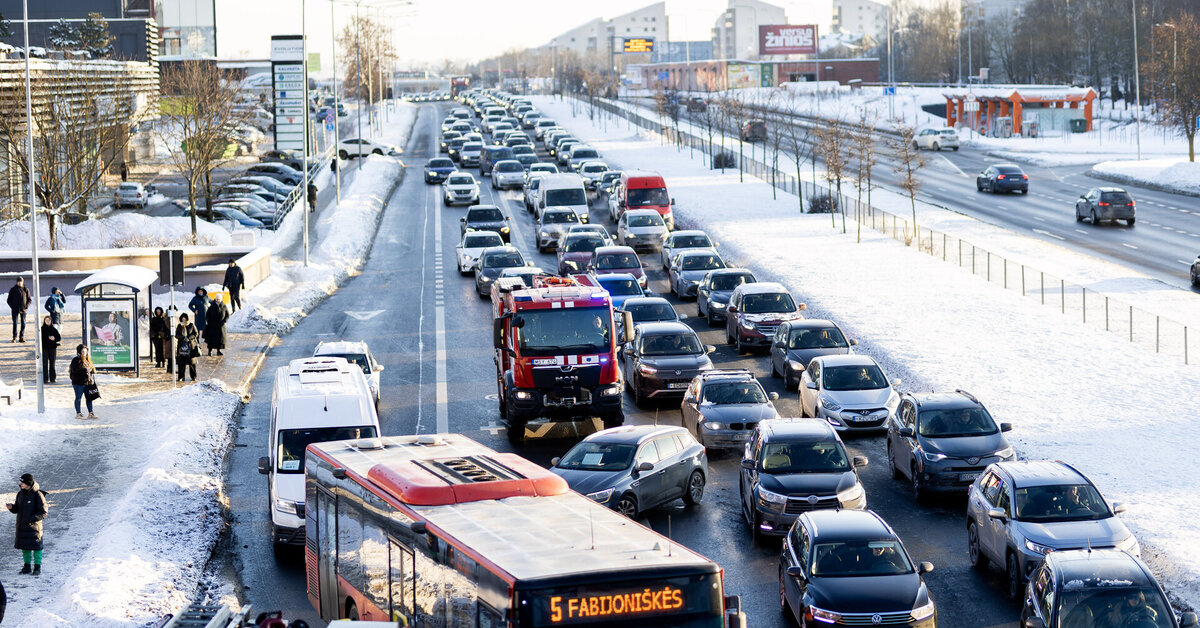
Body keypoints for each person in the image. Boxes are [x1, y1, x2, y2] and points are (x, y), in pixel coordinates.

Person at [6, 473, 47, 576]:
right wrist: (12, 508)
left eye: (22, 482)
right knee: (25, 548)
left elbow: (43, 512)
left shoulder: (38, 495)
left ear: (28, 483)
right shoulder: (20, 494)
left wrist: (31, 519)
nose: (20, 484)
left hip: (34, 528)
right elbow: (18, 508)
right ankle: (27, 567)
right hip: (23, 527)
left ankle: (37, 568)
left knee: (37, 548)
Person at [68, 344, 97, 419]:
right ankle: (78, 413)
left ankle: (91, 413)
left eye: (85, 351)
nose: (84, 352)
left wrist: (91, 370)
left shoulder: (88, 360)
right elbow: (74, 370)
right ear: (79, 352)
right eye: (82, 351)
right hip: (78, 383)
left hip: (87, 382)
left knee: (89, 398)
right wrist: (85, 370)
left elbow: (93, 370)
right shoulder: (75, 360)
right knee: (78, 398)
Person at [175, 313, 199, 382]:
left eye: (185, 318)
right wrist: (182, 338)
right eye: (182, 319)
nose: (184, 320)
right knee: (181, 363)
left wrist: (189, 338)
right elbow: (177, 335)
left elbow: (195, 333)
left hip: (191, 346)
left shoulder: (191, 325)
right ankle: (181, 377)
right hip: (181, 346)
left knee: (192, 363)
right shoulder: (179, 326)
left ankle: (193, 376)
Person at [6, 277, 30, 343]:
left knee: (23, 323)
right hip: (15, 310)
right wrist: (12, 307)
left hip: (23, 310)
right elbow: (8, 300)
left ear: (23, 282)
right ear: (17, 282)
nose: (19, 283)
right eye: (18, 281)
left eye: (21, 281)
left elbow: (29, 299)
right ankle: (14, 337)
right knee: (15, 323)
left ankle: (21, 337)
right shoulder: (13, 289)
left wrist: (26, 306)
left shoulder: (26, 289)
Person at [40, 316, 59, 383]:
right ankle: (45, 378)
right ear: (44, 321)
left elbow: (58, 337)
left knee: (52, 364)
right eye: (46, 320)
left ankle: (52, 378)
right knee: (44, 364)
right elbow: (39, 339)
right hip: (44, 348)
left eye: (49, 320)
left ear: (51, 321)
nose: (47, 321)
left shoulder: (53, 329)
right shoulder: (41, 329)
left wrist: (54, 338)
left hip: (52, 348)